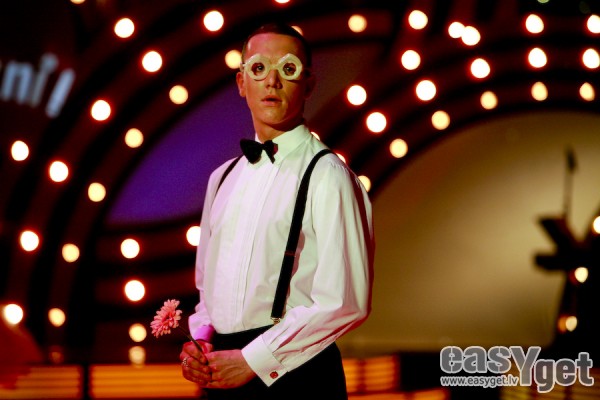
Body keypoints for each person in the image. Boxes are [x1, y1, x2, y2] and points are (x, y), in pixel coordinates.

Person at [179, 22, 374, 399]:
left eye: (287, 68)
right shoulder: (222, 178)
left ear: (308, 84)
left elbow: (345, 301)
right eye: (258, 68)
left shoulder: (328, 175)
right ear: (241, 83)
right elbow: (207, 287)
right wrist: (200, 340)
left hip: (296, 373)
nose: (272, 81)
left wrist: (254, 360)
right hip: (222, 370)